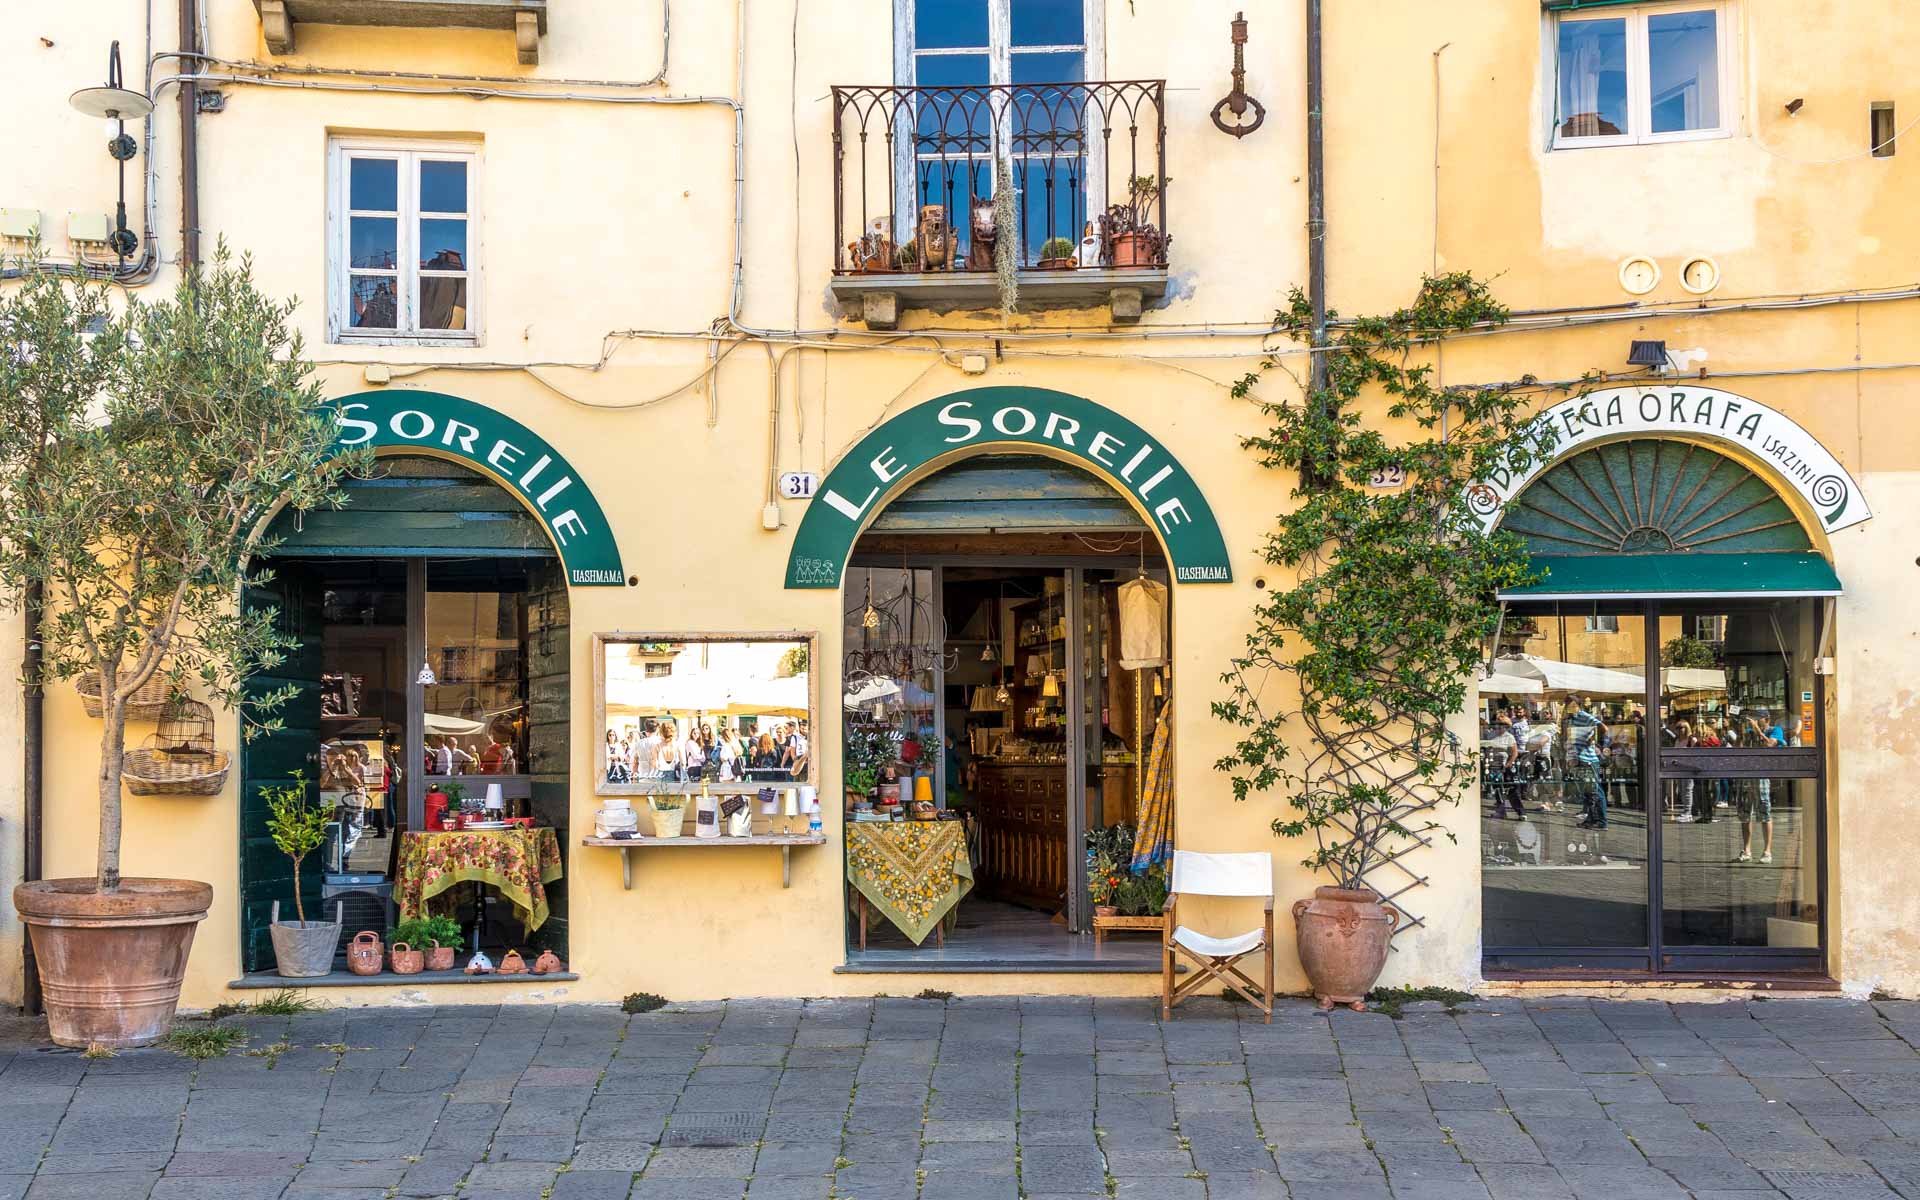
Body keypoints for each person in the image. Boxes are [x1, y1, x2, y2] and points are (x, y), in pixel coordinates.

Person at [1565, 697, 1609, 830]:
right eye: (1567, 705)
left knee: (1595, 791)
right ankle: (1591, 819)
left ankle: (1601, 821)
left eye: (1572, 705)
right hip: (1580, 759)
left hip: (1588, 759)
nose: (1569, 707)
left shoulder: (1584, 716)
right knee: (1588, 792)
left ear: (1578, 705)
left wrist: (1593, 739)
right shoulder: (1572, 719)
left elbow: (1603, 728)